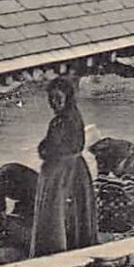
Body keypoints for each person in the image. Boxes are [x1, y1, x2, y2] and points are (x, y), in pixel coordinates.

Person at [31, 76, 99, 256]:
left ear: (67, 98)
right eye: (51, 100)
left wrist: (44, 151)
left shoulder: (62, 121)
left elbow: (52, 147)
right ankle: (74, 242)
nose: (54, 104)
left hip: (62, 170)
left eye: (58, 99)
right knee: (73, 211)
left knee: (57, 211)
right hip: (74, 168)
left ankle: (57, 247)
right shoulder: (72, 116)